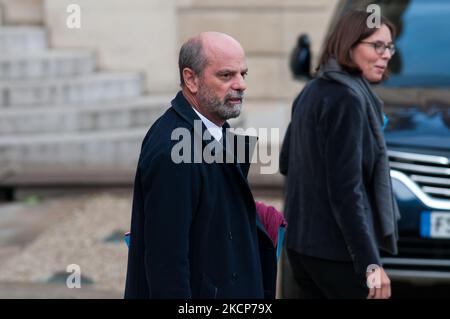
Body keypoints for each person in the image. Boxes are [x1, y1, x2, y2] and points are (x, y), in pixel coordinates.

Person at [124, 32, 278, 299]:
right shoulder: (173, 150)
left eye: (244, 74)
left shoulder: (214, 131)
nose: (241, 85)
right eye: (226, 75)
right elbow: (167, 265)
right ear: (191, 79)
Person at [280, 10, 400, 299]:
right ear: (349, 45)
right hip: (337, 256)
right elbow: (347, 191)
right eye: (376, 46)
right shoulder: (348, 100)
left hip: (301, 250)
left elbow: (286, 162)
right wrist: (370, 263)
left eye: (389, 47)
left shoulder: (312, 90)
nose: (386, 55)